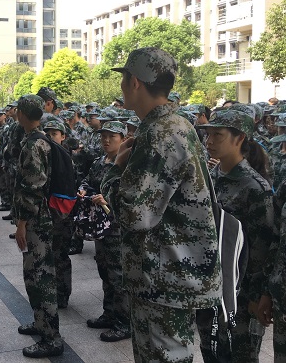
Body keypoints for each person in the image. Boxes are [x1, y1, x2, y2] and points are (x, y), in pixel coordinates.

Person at [101, 47, 222, 363]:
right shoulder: (174, 125)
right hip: (168, 273)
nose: (122, 87)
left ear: (135, 82)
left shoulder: (160, 133)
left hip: (164, 278)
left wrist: (114, 169)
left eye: (124, 79)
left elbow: (133, 214)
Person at [197, 109, 278, 362]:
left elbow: (262, 247)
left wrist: (257, 295)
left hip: (240, 295)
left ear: (240, 138)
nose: (209, 141)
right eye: (208, 135)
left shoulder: (254, 187)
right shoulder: (211, 178)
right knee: (210, 350)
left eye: (217, 135)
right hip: (210, 288)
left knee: (240, 355)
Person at [14, 94, 64, 358]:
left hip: (37, 219)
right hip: (39, 217)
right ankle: (40, 322)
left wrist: (21, 224)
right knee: (33, 273)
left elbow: (33, 187)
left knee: (40, 276)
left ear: (22, 113)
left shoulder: (34, 144)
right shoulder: (40, 139)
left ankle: (51, 338)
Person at [80, 121, 131, 342]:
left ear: (123, 139)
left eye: (112, 137)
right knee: (105, 270)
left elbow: (132, 193)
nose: (106, 141)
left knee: (118, 275)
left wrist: (108, 198)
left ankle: (124, 323)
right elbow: (87, 181)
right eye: (103, 137)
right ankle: (109, 314)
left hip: (118, 227)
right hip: (101, 225)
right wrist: (84, 190)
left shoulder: (127, 164)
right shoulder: (100, 162)